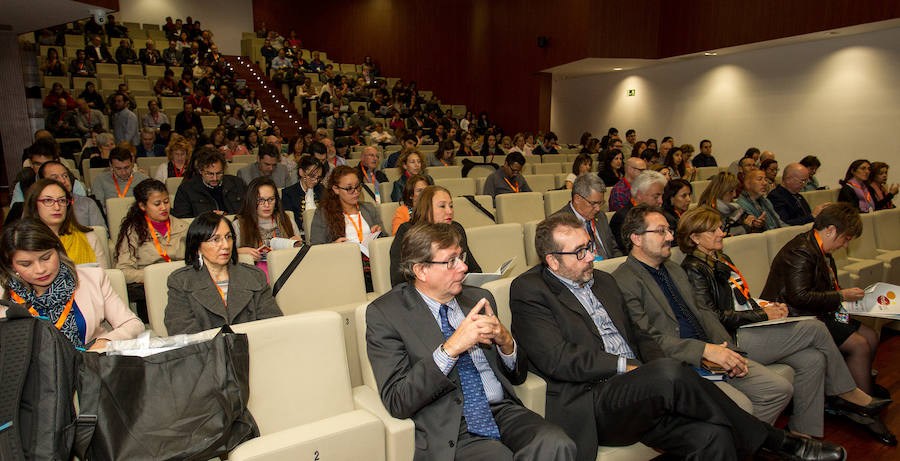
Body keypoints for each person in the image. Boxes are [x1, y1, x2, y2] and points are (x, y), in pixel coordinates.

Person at [509, 213, 846, 461]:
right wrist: (631, 369)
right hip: (594, 401)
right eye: (580, 252)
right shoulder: (530, 290)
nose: (591, 258)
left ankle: (772, 442)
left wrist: (648, 368)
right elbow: (558, 359)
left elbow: (640, 336)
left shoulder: (603, 281)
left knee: (714, 437)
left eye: (589, 248)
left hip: (646, 391)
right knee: (669, 372)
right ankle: (780, 442)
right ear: (552, 260)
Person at [366, 223, 578, 461]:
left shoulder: (478, 298)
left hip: (501, 410)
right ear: (421, 271)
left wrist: (507, 343)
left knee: (558, 444)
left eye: (461, 257)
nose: (464, 267)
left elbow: (517, 376)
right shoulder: (386, 314)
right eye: (451, 261)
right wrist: (451, 348)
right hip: (451, 425)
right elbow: (398, 400)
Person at [678, 206, 890, 438]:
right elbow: (712, 318)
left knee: (813, 359)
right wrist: (762, 315)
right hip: (730, 339)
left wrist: (766, 307)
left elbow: (741, 299)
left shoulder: (720, 258)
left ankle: (802, 432)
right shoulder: (694, 269)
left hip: (749, 327)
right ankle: (847, 392)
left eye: (720, 227)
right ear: (695, 238)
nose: (721, 232)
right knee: (815, 328)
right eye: (714, 230)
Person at [612, 205, 795, 426]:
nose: (670, 237)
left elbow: (705, 313)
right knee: (741, 405)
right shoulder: (623, 281)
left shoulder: (674, 270)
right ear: (636, 238)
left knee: (778, 389)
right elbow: (648, 340)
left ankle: (740, 444)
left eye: (669, 230)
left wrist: (728, 350)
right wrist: (706, 350)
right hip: (681, 364)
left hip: (711, 354)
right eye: (661, 231)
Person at [761, 204, 885, 397]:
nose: (845, 245)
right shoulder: (801, 251)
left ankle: (855, 386)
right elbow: (799, 297)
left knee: (871, 335)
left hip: (817, 311)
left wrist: (846, 295)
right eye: (846, 239)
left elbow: (824, 288)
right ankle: (860, 402)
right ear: (831, 230)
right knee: (859, 344)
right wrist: (842, 296)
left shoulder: (820, 249)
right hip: (794, 317)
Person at [0, 219, 143, 350]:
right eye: (26, 264)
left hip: (90, 367)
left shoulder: (91, 278)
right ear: (12, 266)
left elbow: (133, 325)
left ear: (58, 250)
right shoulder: (4, 296)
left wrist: (105, 342)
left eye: (46, 258)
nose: (40, 269)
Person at [164, 212, 283, 335]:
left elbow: (272, 324)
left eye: (228, 237)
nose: (225, 245)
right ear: (198, 246)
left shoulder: (254, 276)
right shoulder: (181, 281)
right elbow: (182, 332)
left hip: (254, 349)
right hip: (206, 352)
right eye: (215, 240)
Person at [309, 166, 384, 290]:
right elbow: (315, 248)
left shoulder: (368, 208)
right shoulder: (323, 213)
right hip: (342, 267)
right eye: (349, 188)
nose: (355, 192)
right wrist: (333, 246)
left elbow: (385, 239)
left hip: (371, 267)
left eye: (358, 187)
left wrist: (379, 232)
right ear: (336, 189)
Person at [390, 186, 481, 286]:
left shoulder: (456, 229)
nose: (449, 211)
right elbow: (400, 279)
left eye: (451, 206)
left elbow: (474, 268)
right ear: (426, 208)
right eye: (442, 206)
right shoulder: (408, 231)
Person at [23, 179, 106, 267]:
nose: (57, 207)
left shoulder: (89, 237)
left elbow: (103, 276)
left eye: (62, 200)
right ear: (33, 204)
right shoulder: (21, 241)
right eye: (48, 200)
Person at [232, 177, 301, 270]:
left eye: (271, 199)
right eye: (260, 200)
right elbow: (226, 255)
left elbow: (302, 253)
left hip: (285, 270)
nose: (267, 205)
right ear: (251, 200)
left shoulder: (286, 220)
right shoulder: (239, 224)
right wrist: (239, 252)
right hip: (252, 273)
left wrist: (299, 245)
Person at [552, 174, 621, 261]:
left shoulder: (601, 216)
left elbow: (613, 249)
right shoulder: (558, 223)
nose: (598, 208)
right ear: (577, 199)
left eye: (600, 203)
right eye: (593, 203)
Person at [173, 148, 246, 218]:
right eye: (210, 174)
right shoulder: (186, 190)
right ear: (200, 171)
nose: (215, 178)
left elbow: (247, 212)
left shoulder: (237, 183)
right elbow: (183, 221)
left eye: (219, 173)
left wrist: (228, 217)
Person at [609, 170, 666, 251]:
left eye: (662, 196)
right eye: (656, 196)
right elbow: (629, 251)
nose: (661, 201)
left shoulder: (660, 214)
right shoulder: (622, 218)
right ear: (639, 195)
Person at [38, 161, 105, 228]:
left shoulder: (87, 203)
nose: (63, 180)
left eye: (65, 176)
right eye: (55, 177)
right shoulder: (39, 206)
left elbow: (100, 233)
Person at [698, 172, 764, 236]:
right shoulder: (706, 211)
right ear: (720, 191)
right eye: (731, 191)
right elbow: (721, 234)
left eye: (735, 190)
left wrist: (754, 223)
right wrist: (745, 227)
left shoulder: (734, 207)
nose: (734, 195)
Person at [91, 147, 150, 212]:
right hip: (110, 218)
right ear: (111, 165)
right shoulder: (101, 179)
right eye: (118, 168)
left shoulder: (143, 179)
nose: (123, 172)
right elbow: (98, 208)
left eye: (127, 167)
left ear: (132, 163)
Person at [282, 155, 325, 234]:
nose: (315, 181)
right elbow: (288, 221)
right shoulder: (288, 193)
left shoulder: (322, 190)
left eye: (318, 177)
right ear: (301, 172)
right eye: (312, 176)